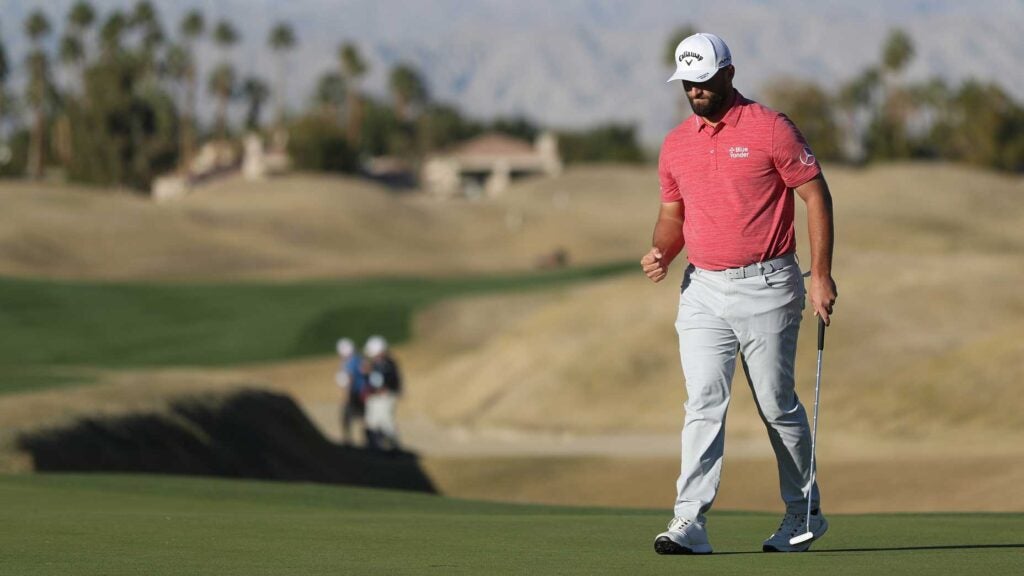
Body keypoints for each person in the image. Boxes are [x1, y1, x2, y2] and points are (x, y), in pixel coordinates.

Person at [641, 32, 837, 555]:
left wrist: (820, 273)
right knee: (703, 402)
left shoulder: (770, 128)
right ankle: (689, 522)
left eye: (704, 81)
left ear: (728, 74)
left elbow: (815, 194)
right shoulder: (676, 143)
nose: (697, 91)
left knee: (776, 405)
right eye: (688, 83)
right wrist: (663, 251)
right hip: (702, 288)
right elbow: (672, 216)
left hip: (769, 285)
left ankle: (803, 514)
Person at [361, 335, 403, 452]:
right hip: (375, 398)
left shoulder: (387, 365)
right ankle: (374, 447)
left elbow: (381, 384)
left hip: (385, 398)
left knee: (386, 424)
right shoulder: (379, 364)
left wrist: (369, 372)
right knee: (371, 423)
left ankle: (394, 448)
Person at [335, 338, 367, 445]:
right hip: (362, 393)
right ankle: (366, 441)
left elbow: (350, 379)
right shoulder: (359, 359)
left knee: (345, 419)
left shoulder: (350, 362)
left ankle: (348, 442)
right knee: (362, 418)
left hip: (354, 394)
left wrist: (346, 396)